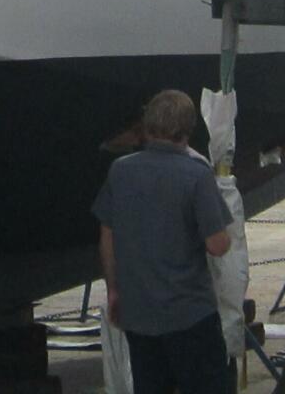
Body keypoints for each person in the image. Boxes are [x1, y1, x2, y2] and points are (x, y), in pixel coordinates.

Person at [93, 89, 233, 394]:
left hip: (139, 314)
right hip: (190, 315)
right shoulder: (196, 174)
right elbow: (217, 245)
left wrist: (114, 289)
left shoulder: (120, 171)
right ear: (187, 130)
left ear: (147, 125)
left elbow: (107, 235)